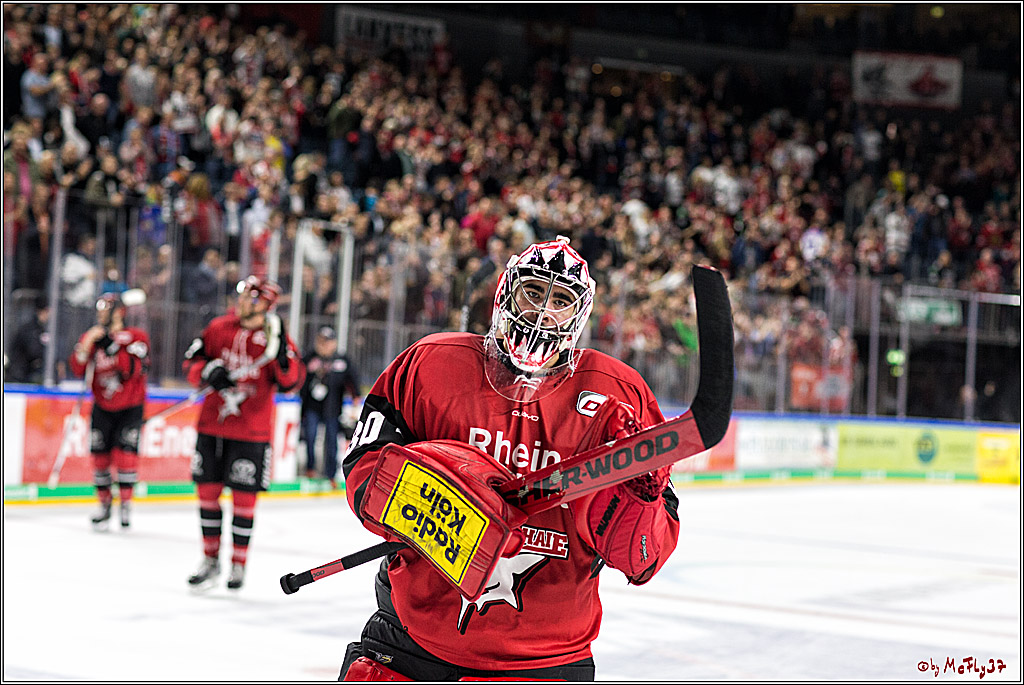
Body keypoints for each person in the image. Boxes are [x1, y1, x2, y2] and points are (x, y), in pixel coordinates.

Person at [339, 237, 679, 681]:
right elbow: (364, 471)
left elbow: (645, 559)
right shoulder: (430, 364)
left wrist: (639, 500)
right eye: (534, 292)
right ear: (506, 291)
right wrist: (448, 515)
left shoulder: (619, 393)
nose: (542, 312)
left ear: (579, 314)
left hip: (546, 659)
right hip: (413, 640)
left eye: (560, 300)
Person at [181, 276, 305, 591]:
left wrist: (281, 356)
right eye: (244, 295)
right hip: (212, 426)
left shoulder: (276, 337)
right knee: (207, 495)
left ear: (266, 303)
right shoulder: (218, 327)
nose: (244, 301)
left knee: (243, 501)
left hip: (251, 432)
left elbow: (290, 381)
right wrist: (208, 372)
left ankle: (238, 565)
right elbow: (192, 362)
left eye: (252, 296)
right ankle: (209, 560)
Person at [68, 293, 150, 529]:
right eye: (100, 309)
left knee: (125, 456)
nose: (101, 314)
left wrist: (112, 347)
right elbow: (77, 368)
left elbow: (135, 369)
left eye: (106, 309)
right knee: (100, 458)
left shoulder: (136, 337)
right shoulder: (92, 336)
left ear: (119, 312)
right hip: (102, 406)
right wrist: (86, 344)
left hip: (130, 406)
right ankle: (104, 505)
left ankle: (125, 505)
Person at [299, 326, 361, 486]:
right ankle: (310, 468)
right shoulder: (309, 358)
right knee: (310, 437)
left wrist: (356, 395)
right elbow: (299, 378)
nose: (325, 345)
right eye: (321, 342)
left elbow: (353, 378)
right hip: (312, 407)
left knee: (331, 441)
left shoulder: (341, 360)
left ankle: (331, 474)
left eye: (328, 342)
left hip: (332, 408)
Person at [5, 295, 50, 384]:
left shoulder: (41, 328)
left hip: (27, 375)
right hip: (19, 377)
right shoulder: (29, 329)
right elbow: (33, 351)